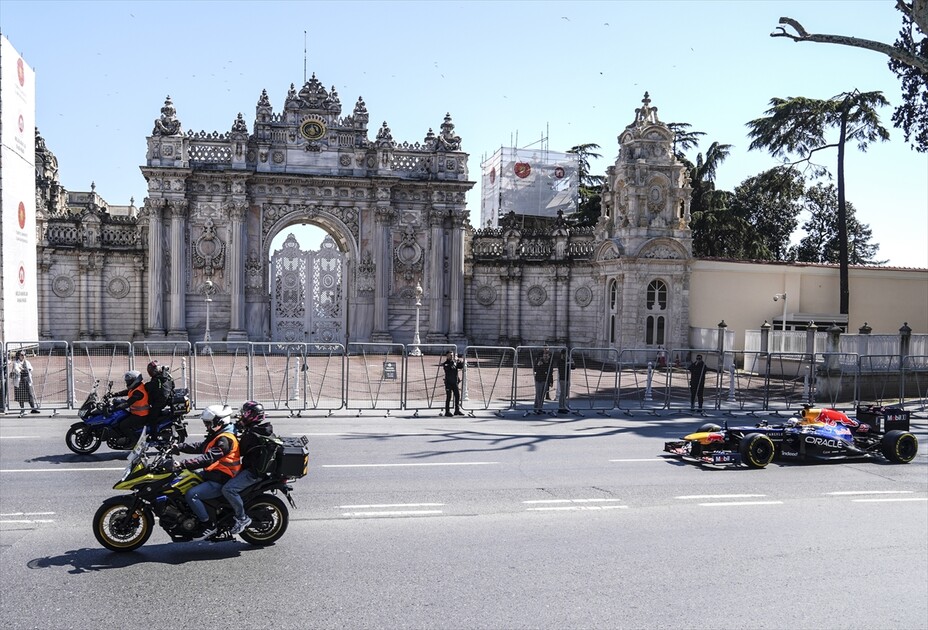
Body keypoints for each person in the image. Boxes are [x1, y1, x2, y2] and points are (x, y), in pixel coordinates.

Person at [174, 404, 240, 540]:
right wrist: (178, 447)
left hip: (222, 478)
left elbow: (208, 458)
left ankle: (209, 525)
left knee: (191, 495)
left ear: (219, 422)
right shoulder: (218, 434)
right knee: (185, 480)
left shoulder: (225, 439)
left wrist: (183, 464)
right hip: (214, 473)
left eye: (208, 423)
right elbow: (202, 447)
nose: (206, 426)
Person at [222, 401, 274, 535]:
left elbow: (240, 450)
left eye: (245, 413)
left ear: (252, 416)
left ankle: (242, 518)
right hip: (252, 468)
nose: (242, 415)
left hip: (252, 473)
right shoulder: (260, 429)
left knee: (228, 489)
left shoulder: (252, 434)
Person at [111, 370, 151, 441]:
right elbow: (127, 392)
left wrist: (115, 408)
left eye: (129, 381)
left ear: (135, 380)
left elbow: (127, 403)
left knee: (123, 425)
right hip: (136, 414)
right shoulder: (136, 387)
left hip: (141, 416)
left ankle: (135, 442)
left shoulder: (139, 392)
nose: (127, 382)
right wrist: (113, 394)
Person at [144, 360, 175, 428]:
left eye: (152, 370)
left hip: (160, 401)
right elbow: (173, 385)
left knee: (152, 417)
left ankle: (154, 436)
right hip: (167, 398)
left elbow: (148, 387)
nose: (151, 372)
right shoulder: (167, 375)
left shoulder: (157, 379)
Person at [439, 350, 465, 416]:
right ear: (447, 356)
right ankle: (447, 411)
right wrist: (454, 362)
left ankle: (457, 410)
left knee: (457, 396)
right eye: (450, 355)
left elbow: (461, 366)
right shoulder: (445, 363)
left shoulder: (455, 362)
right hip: (448, 383)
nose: (452, 356)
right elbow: (448, 368)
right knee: (449, 397)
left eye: (452, 355)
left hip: (455, 382)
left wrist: (459, 361)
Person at [533, 348, 552, 414]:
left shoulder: (549, 362)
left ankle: (540, 408)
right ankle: (537, 408)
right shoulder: (539, 361)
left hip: (545, 380)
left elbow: (550, 372)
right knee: (538, 394)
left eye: (547, 354)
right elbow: (535, 369)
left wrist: (550, 381)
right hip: (539, 380)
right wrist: (539, 365)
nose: (546, 356)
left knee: (542, 395)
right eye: (545, 354)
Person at [555, 349, 573, 414]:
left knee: (566, 393)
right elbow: (561, 368)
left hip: (568, 378)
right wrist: (566, 362)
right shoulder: (560, 361)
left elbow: (573, 367)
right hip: (562, 378)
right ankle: (561, 407)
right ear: (563, 354)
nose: (567, 355)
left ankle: (564, 406)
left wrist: (571, 361)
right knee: (562, 393)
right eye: (565, 354)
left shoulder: (568, 360)